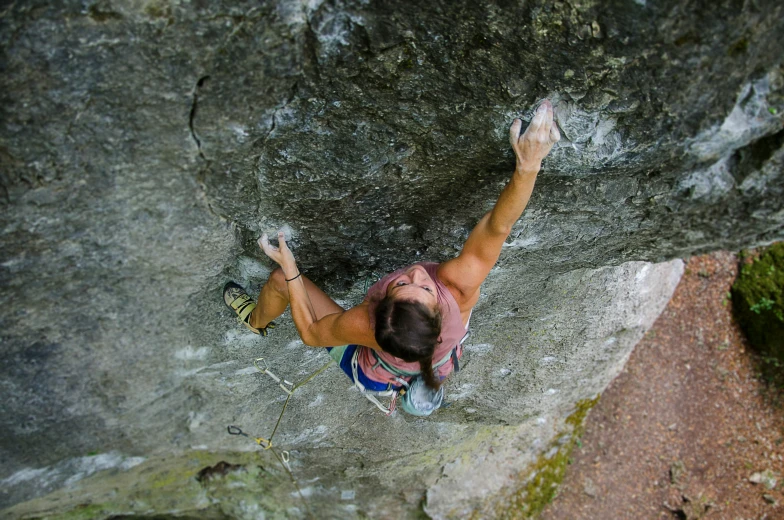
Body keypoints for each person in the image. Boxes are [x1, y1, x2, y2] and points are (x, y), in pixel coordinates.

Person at [224, 99, 560, 404]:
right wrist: (528, 167)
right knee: (423, 356)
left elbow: (313, 333)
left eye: (403, 286)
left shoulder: (364, 324)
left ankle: (256, 322)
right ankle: (420, 381)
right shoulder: (458, 287)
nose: (414, 273)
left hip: (377, 372)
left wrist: (291, 269)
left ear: (379, 310)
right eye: (423, 286)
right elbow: (496, 228)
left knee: (280, 280)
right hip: (436, 356)